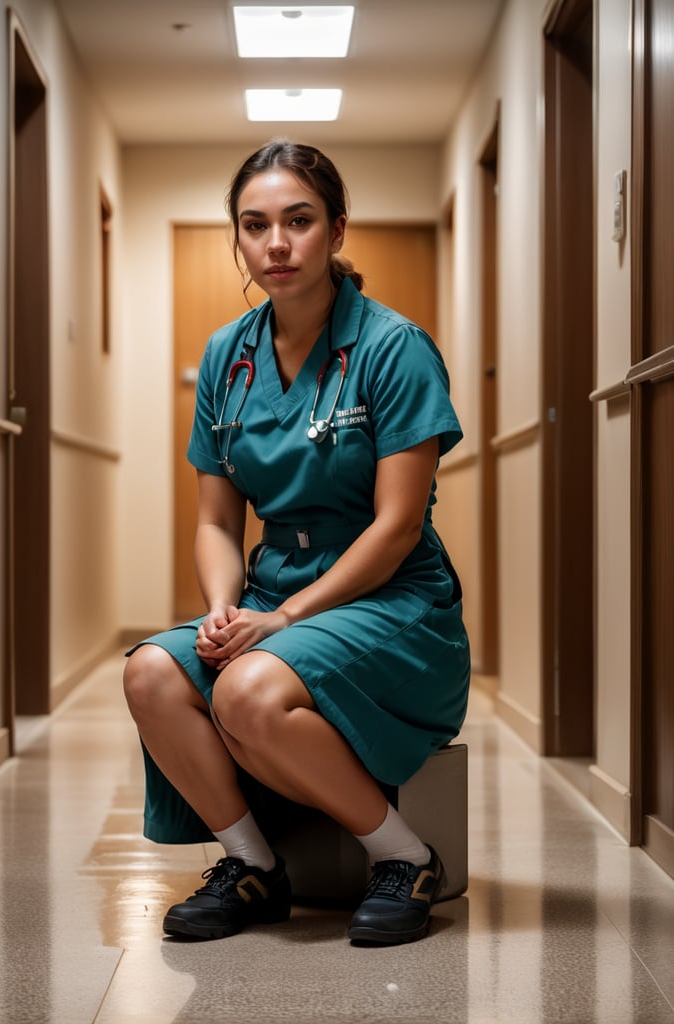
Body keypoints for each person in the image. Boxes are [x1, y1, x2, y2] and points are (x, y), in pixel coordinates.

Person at [123, 139, 470, 946]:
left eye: (298, 220)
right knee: (150, 673)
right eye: (254, 225)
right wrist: (223, 608)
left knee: (245, 691)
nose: (275, 243)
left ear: (337, 230)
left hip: (394, 605)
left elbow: (396, 527)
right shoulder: (226, 356)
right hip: (273, 599)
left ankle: (403, 857)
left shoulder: (392, 347)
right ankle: (251, 867)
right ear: (238, 238)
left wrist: (281, 622)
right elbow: (216, 519)